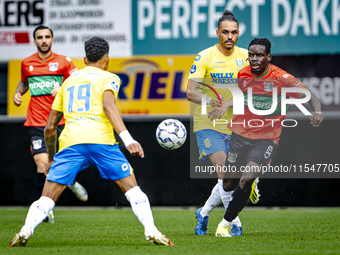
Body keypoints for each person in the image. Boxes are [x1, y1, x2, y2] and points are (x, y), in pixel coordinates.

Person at [9, 37, 173, 247]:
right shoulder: (109, 77)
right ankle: (152, 230)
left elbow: (49, 127)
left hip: (71, 143)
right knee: (133, 189)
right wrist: (128, 139)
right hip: (101, 142)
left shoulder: (67, 82)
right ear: (107, 59)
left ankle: (26, 229)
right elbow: (109, 107)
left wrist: (51, 158)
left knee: (47, 198)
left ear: (85, 59)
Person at [208, 38, 324, 237]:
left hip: (266, 138)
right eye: (251, 54)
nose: (254, 58)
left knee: (246, 179)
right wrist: (226, 104)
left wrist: (318, 111)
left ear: (268, 57)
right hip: (239, 135)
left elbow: (311, 95)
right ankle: (245, 188)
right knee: (228, 184)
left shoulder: (282, 77)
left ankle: (224, 225)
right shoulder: (243, 74)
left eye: (259, 55)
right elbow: (240, 96)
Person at [186, 10, 259, 236]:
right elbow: (190, 92)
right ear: (217, 33)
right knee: (225, 173)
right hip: (209, 123)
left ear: (239, 34)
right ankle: (232, 223)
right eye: (225, 32)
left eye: (234, 32)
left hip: (238, 125)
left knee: (230, 179)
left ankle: (204, 212)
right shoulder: (204, 57)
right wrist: (214, 101)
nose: (230, 36)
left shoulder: (247, 57)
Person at [13, 25, 88, 222]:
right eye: (40, 37)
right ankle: (44, 209)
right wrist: (18, 92)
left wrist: (62, 87)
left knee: (71, 162)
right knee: (42, 164)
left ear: (52, 40)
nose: (44, 40)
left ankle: (71, 181)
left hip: (61, 121)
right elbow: (25, 81)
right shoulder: (26, 63)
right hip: (37, 123)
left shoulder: (64, 61)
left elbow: (79, 81)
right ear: (35, 40)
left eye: (47, 37)